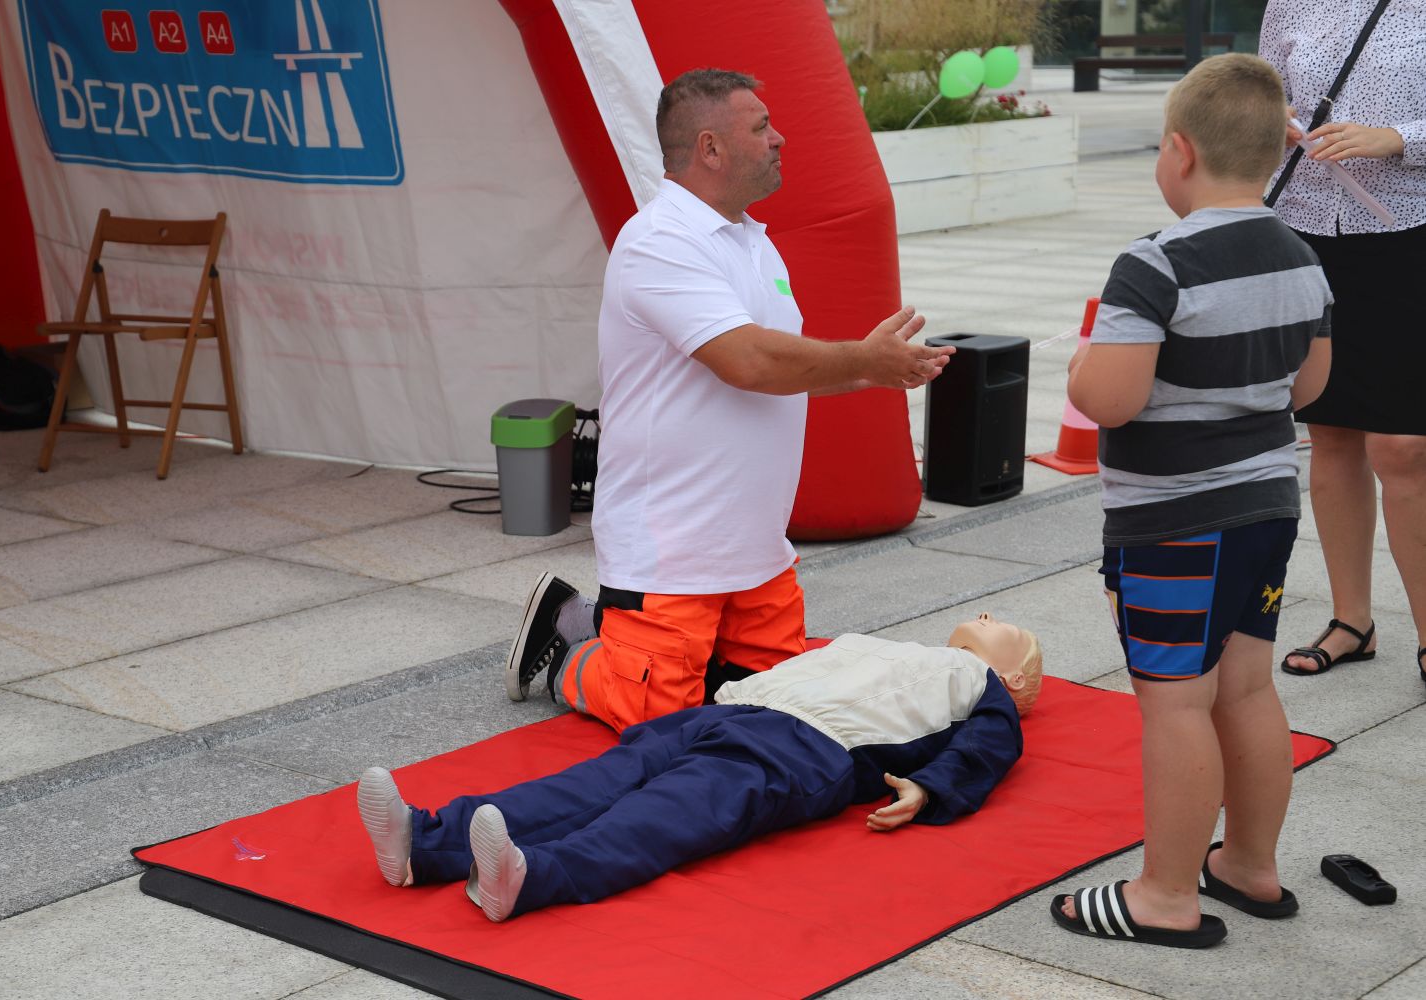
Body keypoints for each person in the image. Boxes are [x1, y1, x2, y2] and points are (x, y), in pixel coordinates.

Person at [503, 68, 956, 733]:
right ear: (711, 149)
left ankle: (660, 649)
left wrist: (875, 371)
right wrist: (863, 358)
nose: (780, 138)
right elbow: (746, 362)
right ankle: (570, 641)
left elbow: (782, 368)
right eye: (761, 127)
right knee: (657, 716)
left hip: (755, 548)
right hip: (670, 550)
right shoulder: (660, 242)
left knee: (782, 709)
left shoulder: (753, 240)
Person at [1052, 54, 1333, 949]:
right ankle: (1250, 863)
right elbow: (1311, 387)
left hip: (1175, 523)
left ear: (1178, 151)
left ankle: (1164, 894)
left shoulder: (1153, 265)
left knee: (1175, 701)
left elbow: (1111, 400)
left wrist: (1079, 364)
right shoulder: (1301, 254)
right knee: (1246, 690)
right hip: (1267, 509)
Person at [358, 618, 1041, 921]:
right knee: (593, 784)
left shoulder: (979, 682)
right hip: (735, 710)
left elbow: (991, 745)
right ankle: (426, 841)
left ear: (1016, 677)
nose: (985, 616)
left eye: (1007, 626)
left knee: (666, 816)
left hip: (810, 746)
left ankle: (534, 878)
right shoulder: (887, 643)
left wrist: (931, 787)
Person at [1257, 1, 1426, 686]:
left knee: (1404, 446)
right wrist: (1280, 127)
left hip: (1408, 230)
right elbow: (1265, 97)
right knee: (1328, 433)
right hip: (1306, 229)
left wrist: (1398, 137)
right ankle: (1352, 620)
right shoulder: (1293, 1)